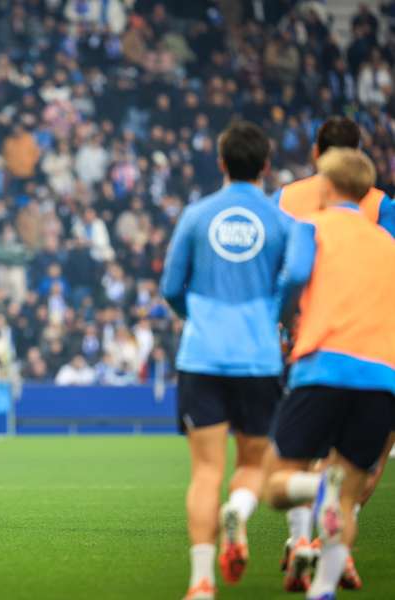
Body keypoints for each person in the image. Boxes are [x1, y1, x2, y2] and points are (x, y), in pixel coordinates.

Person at [161, 121, 291, 600]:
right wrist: (275, 313)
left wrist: (195, 315)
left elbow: (170, 286)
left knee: (205, 472)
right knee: (253, 464)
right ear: (266, 166)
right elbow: (298, 274)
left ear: (221, 163)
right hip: (258, 357)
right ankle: (238, 508)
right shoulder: (280, 220)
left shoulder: (197, 215)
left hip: (202, 355)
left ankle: (201, 582)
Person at [272, 115, 395, 591]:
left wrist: (279, 320)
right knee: (354, 473)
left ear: (317, 156)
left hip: (313, 347)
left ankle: (300, 538)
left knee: (288, 469)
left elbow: (286, 272)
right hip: (377, 357)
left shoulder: (290, 202)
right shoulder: (382, 210)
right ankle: (331, 563)